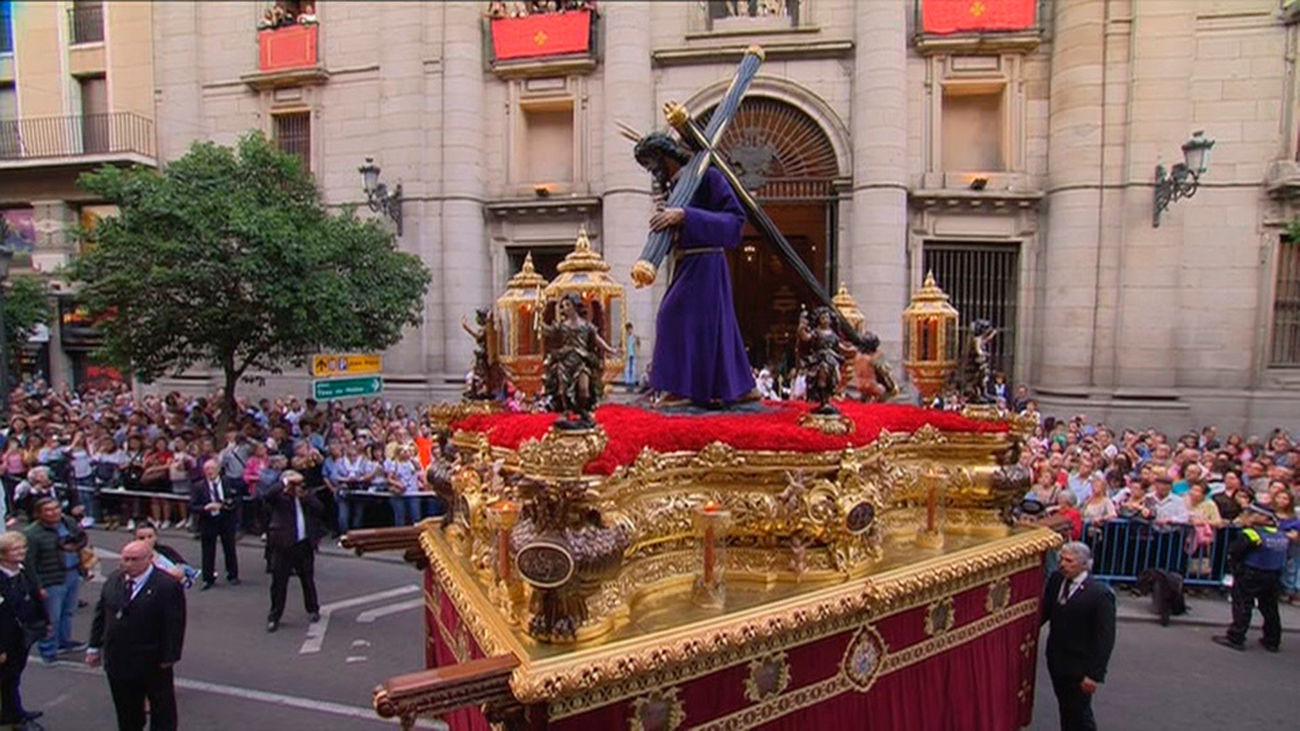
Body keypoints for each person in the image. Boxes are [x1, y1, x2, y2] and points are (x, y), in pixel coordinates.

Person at [632, 131, 756, 407]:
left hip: (707, 262)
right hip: (686, 262)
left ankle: (681, 387)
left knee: (671, 315)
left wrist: (686, 216)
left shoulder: (708, 177)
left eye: (652, 164)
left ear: (665, 157)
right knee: (708, 325)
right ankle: (728, 387)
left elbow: (735, 221)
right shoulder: (674, 189)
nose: (652, 172)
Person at [87, 540, 186, 731]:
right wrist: (93, 647)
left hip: (151, 660)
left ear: (149, 559)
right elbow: (101, 615)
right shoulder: (114, 579)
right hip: (118, 659)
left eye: (134, 560)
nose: (127, 564)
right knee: (126, 710)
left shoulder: (166, 585)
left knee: (161, 709)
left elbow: (174, 624)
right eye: (125, 559)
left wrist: (169, 656)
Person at [1040, 541, 1116, 731]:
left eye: (1069, 561)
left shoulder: (1099, 594)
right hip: (1057, 660)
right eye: (1062, 559)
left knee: (1080, 713)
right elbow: (1044, 612)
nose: (1063, 564)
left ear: (1084, 565)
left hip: (1080, 666)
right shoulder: (1057, 580)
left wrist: (1094, 675)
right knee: (1065, 708)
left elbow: (1105, 638)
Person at [1213, 505, 1288, 652]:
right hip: (1273, 574)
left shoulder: (1252, 534)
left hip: (1252, 573)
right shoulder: (1281, 534)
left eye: (1253, 514)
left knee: (1243, 604)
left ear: (1265, 518)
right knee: (1270, 608)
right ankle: (1272, 640)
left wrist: (1236, 568)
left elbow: (1235, 551)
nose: (1248, 515)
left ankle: (1236, 637)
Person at [23, 498, 87, 664]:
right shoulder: (32, 534)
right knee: (52, 618)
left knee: (68, 612)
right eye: (48, 510)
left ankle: (63, 642)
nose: (54, 512)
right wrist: (38, 586)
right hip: (50, 579)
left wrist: (84, 567)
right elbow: (29, 564)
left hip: (71, 573)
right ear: (38, 514)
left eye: (56, 508)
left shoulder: (68, 522)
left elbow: (80, 540)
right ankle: (48, 651)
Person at [0, 531, 48, 728]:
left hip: (23, 635)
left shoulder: (23, 570)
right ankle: (12, 716)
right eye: (15, 549)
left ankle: (14, 710)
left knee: (15, 675)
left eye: (22, 548)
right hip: (5, 638)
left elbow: (35, 597)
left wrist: (44, 621)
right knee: (7, 678)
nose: (21, 552)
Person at [264, 471, 321, 633]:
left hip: (303, 544)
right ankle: (274, 616)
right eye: (293, 484)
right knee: (279, 582)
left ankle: (312, 608)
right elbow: (267, 496)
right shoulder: (279, 498)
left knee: (307, 579)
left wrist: (305, 496)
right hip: (283, 544)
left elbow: (319, 508)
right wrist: (285, 483)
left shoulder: (305, 496)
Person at [188, 460, 239, 590]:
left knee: (229, 547)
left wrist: (224, 505)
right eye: (207, 469)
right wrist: (205, 508)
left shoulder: (228, 482)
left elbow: (236, 499)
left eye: (212, 469)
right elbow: (192, 505)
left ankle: (232, 574)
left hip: (225, 519)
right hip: (208, 520)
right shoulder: (198, 486)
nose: (209, 472)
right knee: (208, 550)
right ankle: (208, 578)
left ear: (218, 470)